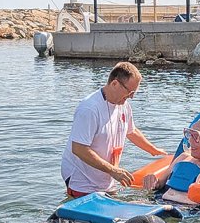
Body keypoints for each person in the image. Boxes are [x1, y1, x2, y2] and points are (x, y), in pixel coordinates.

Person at [60, 62, 167, 197]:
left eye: (134, 93)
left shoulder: (124, 105)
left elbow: (131, 131)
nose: (132, 96)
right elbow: (79, 149)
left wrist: (153, 150)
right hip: (82, 180)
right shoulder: (89, 109)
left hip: (106, 179)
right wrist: (113, 170)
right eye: (130, 92)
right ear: (115, 84)